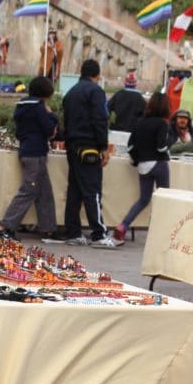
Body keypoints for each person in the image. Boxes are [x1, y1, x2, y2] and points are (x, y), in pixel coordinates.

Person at [61, 59, 121, 248]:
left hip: (72, 147)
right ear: (97, 75)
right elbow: (100, 119)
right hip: (89, 146)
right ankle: (99, 234)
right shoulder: (96, 92)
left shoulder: (70, 93)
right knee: (92, 191)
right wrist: (103, 147)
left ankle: (74, 233)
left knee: (75, 191)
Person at [0, 76, 62, 243]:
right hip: (35, 153)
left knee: (44, 191)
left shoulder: (21, 105)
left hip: (26, 149)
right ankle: (5, 227)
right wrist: (52, 115)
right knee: (29, 190)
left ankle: (48, 229)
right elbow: (49, 129)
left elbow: (19, 131)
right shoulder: (38, 107)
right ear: (46, 93)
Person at [114, 91, 171, 243]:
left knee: (143, 200)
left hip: (143, 166)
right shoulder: (162, 124)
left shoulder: (140, 122)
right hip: (159, 164)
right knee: (164, 200)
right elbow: (161, 148)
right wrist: (168, 147)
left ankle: (123, 225)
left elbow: (130, 146)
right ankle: (159, 233)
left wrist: (137, 159)